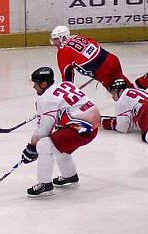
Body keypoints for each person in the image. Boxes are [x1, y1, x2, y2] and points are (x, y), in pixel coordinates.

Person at [21, 66, 100, 198]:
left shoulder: (46, 99)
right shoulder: (64, 84)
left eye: (35, 83)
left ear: (43, 83)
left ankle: (44, 185)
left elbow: (44, 130)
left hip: (81, 129)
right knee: (56, 144)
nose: (34, 87)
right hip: (92, 127)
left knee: (44, 145)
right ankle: (70, 175)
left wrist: (31, 147)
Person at [50, 25, 148, 90]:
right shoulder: (79, 37)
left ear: (62, 37)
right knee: (128, 89)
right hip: (111, 59)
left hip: (102, 71)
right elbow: (94, 46)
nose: (54, 42)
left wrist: (67, 92)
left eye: (55, 39)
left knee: (123, 95)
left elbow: (67, 76)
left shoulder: (62, 51)